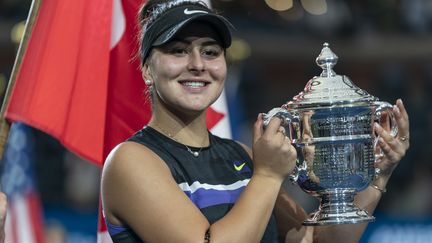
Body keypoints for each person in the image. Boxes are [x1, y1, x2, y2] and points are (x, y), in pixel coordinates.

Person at [101, 0, 410, 242]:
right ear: (147, 70)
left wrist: (377, 176)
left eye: (210, 52)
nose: (197, 65)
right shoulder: (131, 161)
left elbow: (317, 242)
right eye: (178, 51)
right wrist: (267, 175)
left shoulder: (242, 156)